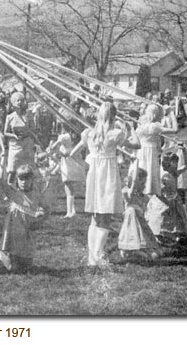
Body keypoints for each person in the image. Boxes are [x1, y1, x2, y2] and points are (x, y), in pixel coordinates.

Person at [70, 102, 137, 267]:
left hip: (94, 176)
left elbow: (73, 153)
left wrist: (90, 162)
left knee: (95, 218)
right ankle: (97, 256)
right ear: (114, 116)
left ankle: (93, 255)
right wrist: (129, 127)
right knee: (105, 217)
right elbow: (137, 144)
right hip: (107, 176)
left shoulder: (89, 134)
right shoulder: (115, 134)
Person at [0, 164, 48, 272]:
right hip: (15, 232)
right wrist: (4, 156)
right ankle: (1, 255)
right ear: (16, 179)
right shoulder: (14, 193)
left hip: (28, 231)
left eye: (27, 179)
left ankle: (10, 259)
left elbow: (46, 208)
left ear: (32, 180)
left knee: (28, 266)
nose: (23, 182)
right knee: (15, 269)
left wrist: (41, 215)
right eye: (21, 179)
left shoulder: (36, 194)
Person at [146, 147, 187, 245]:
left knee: (177, 218)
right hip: (163, 200)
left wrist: (184, 151)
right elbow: (157, 190)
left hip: (174, 199)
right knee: (161, 219)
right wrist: (164, 200)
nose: (175, 167)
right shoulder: (163, 176)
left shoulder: (175, 173)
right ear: (166, 164)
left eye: (176, 164)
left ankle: (176, 235)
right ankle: (158, 236)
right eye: (173, 164)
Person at [118, 162, 161, 260]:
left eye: (144, 183)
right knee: (133, 233)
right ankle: (129, 250)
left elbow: (150, 202)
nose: (144, 186)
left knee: (145, 235)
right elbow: (129, 196)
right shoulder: (126, 192)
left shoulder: (141, 195)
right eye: (142, 183)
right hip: (131, 219)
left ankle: (140, 250)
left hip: (140, 220)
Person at [136, 104, 177, 196]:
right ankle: (150, 191)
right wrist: (171, 113)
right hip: (151, 151)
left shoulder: (141, 125)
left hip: (141, 151)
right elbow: (175, 130)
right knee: (151, 172)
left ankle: (142, 191)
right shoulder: (155, 127)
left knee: (142, 170)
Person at [48, 123, 85, 218]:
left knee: (68, 187)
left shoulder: (63, 137)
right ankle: (72, 210)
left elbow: (53, 148)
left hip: (67, 162)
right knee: (70, 187)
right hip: (76, 160)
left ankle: (70, 212)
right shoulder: (77, 135)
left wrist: (56, 151)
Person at [4, 92, 36, 185]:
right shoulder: (10, 117)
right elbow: (5, 132)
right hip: (15, 145)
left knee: (28, 168)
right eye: (18, 101)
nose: (20, 103)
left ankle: (29, 189)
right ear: (13, 102)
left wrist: (27, 133)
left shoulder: (28, 115)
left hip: (27, 143)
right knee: (12, 169)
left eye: (21, 101)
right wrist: (14, 135)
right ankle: (10, 190)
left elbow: (33, 129)